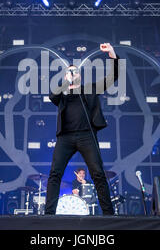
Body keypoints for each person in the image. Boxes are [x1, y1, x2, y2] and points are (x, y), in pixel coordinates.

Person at [45, 43, 119, 215]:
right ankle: (48, 215)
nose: (72, 73)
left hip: (87, 136)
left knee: (98, 174)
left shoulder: (89, 89)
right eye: (69, 72)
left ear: (80, 75)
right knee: (55, 173)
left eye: (75, 71)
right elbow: (52, 96)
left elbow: (112, 76)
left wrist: (112, 54)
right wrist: (66, 82)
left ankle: (109, 215)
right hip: (65, 138)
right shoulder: (61, 94)